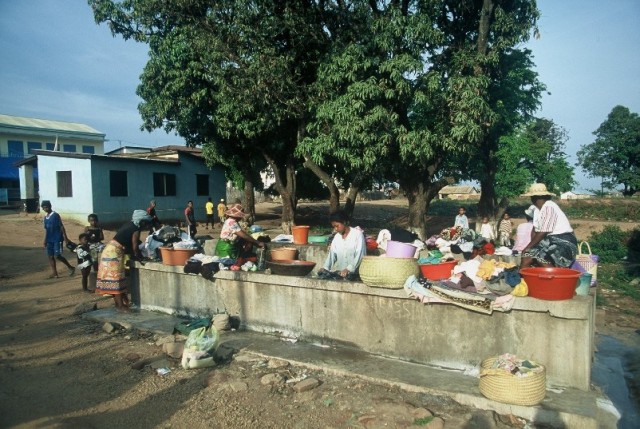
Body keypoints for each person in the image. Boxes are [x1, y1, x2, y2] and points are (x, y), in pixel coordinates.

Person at [96, 210, 152, 312]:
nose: (146, 226)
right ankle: (121, 306)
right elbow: (135, 247)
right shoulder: (135, 229)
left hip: (109, 251)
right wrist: (140, 257)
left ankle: (118, 305)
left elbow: (128, 244)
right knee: (115, 280)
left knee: (113, 280)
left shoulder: (129, 225)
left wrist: (136, 256)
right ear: (142, 222)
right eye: (146, 223)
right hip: (114, 253)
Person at [520, 183, 578, 269]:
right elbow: (535, 230)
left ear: (534, 198)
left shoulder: (549, 207)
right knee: (528, 256)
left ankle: (555, 277)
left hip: (564, 243)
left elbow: (543, 232)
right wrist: (530, 249)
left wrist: (528, 247)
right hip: (550, 241)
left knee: (539, 257)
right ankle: (524, 278)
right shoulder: (537, 210)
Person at [318, 211, 366, 280]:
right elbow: (332, 255)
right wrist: (325, 268)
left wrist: (348, 269)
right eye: (334, 227)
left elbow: (360, 255)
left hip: (356, 274)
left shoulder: (357, 235)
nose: (335, 229)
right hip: (341, 275)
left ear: (344, 222)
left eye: (337, 226)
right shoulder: (337, 237)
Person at [41, 200, 75, 278]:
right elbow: (46, 230)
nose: (45, 209)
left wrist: (65, 238)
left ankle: (70, 267)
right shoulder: (45, 218)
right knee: (50, 256)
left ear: (50, 206)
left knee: (57, 255)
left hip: (57, 238)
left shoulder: (55, 215)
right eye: (44, 207)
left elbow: (61, 226)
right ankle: (54, 273)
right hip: (49, 239)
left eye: (46, 207)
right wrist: (45, 240)